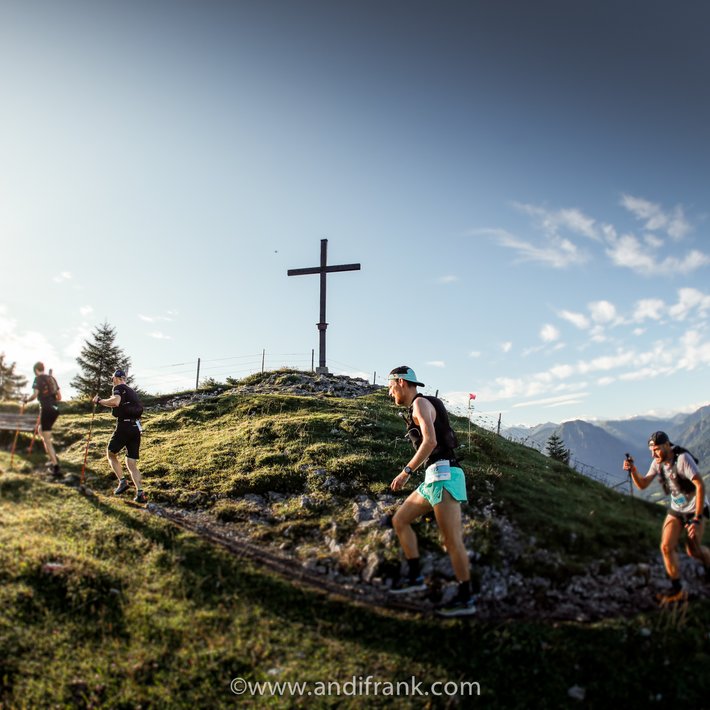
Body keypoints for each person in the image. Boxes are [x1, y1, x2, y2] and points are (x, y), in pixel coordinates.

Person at [387, 365, 475, 617]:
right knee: (400, 520)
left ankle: (465, 597)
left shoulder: (419, 404)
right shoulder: (420, 405)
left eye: (391, 387)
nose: (390, 392)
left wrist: (405, 472)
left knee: (451, 541)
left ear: (401, 382)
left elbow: (431, 441)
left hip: (444, 475)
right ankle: (415, 576)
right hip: (433, 477)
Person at [624, 431, 710, 603]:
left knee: (693, 551)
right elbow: (642, 484)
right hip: (677, 509)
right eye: (651, 450)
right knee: (665, 547)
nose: (653, 454)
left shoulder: (683, 459)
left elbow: (700, 485)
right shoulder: (658, 462)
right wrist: (633, 470)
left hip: (696, 509)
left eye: (656, 449)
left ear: (666, 445)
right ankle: (677, 590)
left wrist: (697, 519)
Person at [93, 369, 147, 504]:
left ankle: (122, 482)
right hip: (136, 428)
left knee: (110, 453)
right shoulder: (131, 391)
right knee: (131, 463)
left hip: (124, 427)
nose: (112, 381)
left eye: (112, 379)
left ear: (116, 378)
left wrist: (99, 400)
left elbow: (116, 402)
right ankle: (140, 493)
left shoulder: (118, 387)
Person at [24, 362, 62, 476]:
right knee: (41, 431)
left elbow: (35, 395)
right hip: (55, 409)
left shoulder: (37, 379)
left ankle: (55, 466)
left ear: (35, 370)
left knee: (47, 440)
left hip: (46, 409)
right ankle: (52, 456)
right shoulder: (52, 379)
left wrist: (26, 400)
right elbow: (59, 397)